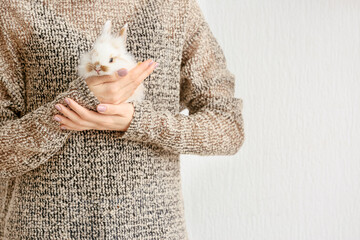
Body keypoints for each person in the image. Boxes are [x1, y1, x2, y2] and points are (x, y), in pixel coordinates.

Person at [0, 0, 245, 239]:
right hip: (40, 229)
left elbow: (228, 127)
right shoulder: (16, 9)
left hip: (152, 230)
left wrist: (138, 122)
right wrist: (74, 106)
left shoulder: (174, 9)